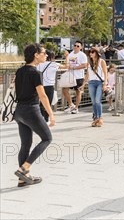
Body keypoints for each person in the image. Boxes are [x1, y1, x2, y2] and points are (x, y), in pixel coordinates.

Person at [13, 44, 54, 187]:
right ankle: (24, 168)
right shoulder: (35, 73)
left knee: (26, 144)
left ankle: (22, 179)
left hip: (19, 111)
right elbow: (43, 96)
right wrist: (51, 114)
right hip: (31, 110)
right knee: (47, 138)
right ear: (36, 55)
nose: (46, 55)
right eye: (43, 53)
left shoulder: (20, 71)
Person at [35, 50, 65, 122]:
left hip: (39, 85)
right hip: (49, 86)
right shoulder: (53, 64)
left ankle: (41, 117)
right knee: (48, 103)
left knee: (40, 102)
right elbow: (65, 67)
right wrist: (67, 57)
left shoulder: (38, 64)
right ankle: (46, 118)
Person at [62, 41, 88, 114]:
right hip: (70, 75)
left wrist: (74, 68)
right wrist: (66, 57)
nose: (76, 47)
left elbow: (85, 65)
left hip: (79, 76)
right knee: (64, 89)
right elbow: (67, 63)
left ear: (81, 47)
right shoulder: (71, 54)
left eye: (77, 46)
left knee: (78, 92)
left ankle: (76, 108)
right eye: (75, 45)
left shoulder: (82, 55)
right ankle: (71, 105)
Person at [86, 47, 109, 127]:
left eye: (92, 52)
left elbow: (106, 73)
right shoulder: (89, 63)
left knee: (97, 100)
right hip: (91, 82)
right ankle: (95, 118)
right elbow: (87, 74)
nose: (91, 53)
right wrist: (83, 84)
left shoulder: (102, 61)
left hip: (100, 82)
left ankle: (100, 118)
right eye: (90, 52)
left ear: (96, 53)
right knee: (93, 101)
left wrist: (105, 83)